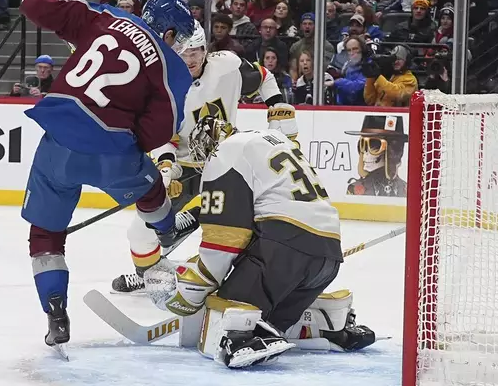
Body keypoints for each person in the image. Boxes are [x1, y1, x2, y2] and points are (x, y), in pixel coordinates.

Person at [18, 0, 195, 351]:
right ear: (171, 33)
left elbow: (36, 6)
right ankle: (165, 231)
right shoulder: (171, 68)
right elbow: (158, 133)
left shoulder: (106, 16)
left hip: (60, 138)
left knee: (45, 236)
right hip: (113, 149)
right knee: (151, 191)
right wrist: (130, 148)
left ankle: (55, 310)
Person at [143, 116, 375, 368]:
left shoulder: (225, 152)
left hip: (284, 254)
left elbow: (226, 237)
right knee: (270, 319)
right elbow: (258, 203)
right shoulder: (270, 142)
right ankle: (330, 324)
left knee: (225, 309)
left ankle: (238, 340)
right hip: (327, 258)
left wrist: (198, 281)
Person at [110, 22, 300, 294]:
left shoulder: (228, 66)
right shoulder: (163, 86)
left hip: (227, 165)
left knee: (237, 227)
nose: (191, 59)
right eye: (184, 53)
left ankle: (249, 270)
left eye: (197, 51)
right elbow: (166, 137)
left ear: (206, 49)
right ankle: (150, 276)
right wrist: (166, 168)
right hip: (185, 168)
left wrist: (277, 104)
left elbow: (264, 77)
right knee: (139, 232)